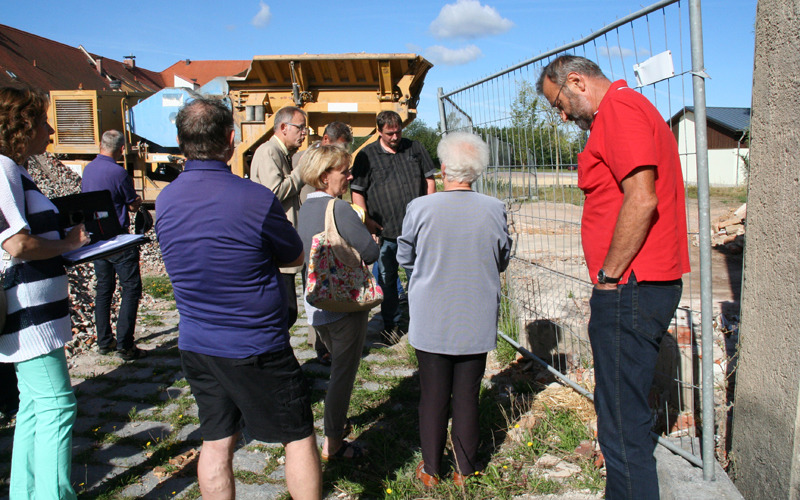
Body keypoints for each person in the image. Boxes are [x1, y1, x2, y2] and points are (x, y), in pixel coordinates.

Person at [536, 55, 690, 499]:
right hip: (634, 286)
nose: (562, 115)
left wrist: (608, 275)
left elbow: (642, 200)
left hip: (630, 287)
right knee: (622, 413)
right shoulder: (626, 110)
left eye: (559, 103)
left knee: (621, 422)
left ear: (578, 82)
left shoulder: (619, 112)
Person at [155, 96, 321, 500]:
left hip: (196, 343)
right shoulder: (254, 198)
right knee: (297, 435)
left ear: (180, 140)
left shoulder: (165, 200)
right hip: (255, 343)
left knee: (216, 440)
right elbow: (295, 256)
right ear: (231, 139)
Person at [397, 132, 511, 487]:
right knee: (468, 396)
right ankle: (465, 469)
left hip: (432, 315)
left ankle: (431, 470)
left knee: (432, 395)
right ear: (476, 172)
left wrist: (426, 275)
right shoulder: (494, 209)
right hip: (475, 315)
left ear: (443, 168)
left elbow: (405, 257)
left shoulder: (420, 208)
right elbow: (503, 258)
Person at [0, 86, 90, 500]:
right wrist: (69, 245)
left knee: (36, 409)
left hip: (33, 315)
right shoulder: (2, 169)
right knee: (58, 406)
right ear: (21, 127)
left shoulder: (13, 169)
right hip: (29, 315)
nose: (51, 131)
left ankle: (25, 492)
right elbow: (16, 244)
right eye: (42, 123)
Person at [297, 145, 379, 460]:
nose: (350, 176)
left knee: (337, 368)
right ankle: (333, 442)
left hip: (316, 303)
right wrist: (370, 242)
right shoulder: (340, 210)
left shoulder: (305, 207)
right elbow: (370, 254)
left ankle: (337, 424)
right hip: (344, 305)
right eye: (344, 171)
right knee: (342, 376)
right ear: (323, 175)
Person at [351, 111, 436, 340]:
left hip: (416, 231)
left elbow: (429, 180)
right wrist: (367, 223)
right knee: (387, 280)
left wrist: (429, 211)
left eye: (398, 131)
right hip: (384, 232)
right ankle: (391, 325)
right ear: (379, 131)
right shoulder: (366, 156)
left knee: (419, 278)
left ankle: (425, 323)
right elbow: (357, 191)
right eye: (390, 133)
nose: (395, 136)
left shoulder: (414, 148)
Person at [293, 121, 353, 365]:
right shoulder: (301, 158)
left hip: (327, 227)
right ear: (327, 141)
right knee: (314, 286)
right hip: (310, 229)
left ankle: (325, 341)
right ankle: (321, 343)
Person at [81, 129, 145, 360]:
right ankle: (125, 344)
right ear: (120, 150)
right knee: (130, 288)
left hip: (96, 239)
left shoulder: (88, 169)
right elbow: (130, 204)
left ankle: (104, 341)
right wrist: (137, 203)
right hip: (118, 239)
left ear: (100, 145)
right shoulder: (118, 173)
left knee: (104, 289)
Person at [250, 106, 307, 329]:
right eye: (300, 127)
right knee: (285, 311)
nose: (304, 133)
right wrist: (300, 173)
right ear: (283, 127)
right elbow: (272, 192)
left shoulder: (281, 153)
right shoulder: (268, 152)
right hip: (275, 247)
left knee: (287, 311)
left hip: (282, 242)